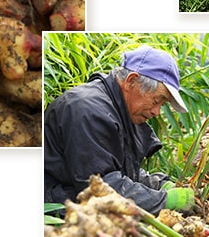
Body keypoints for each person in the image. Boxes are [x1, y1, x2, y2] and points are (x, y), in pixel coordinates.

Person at [44, 44, 195, 214]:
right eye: (156, 101)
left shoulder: (120, 109)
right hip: (55, 208)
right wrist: (165, 200)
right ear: (131, 81)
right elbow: (100, 188)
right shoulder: (88, 110)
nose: (156, 112)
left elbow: (121, 171)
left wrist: (160, 184)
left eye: (162, 104)